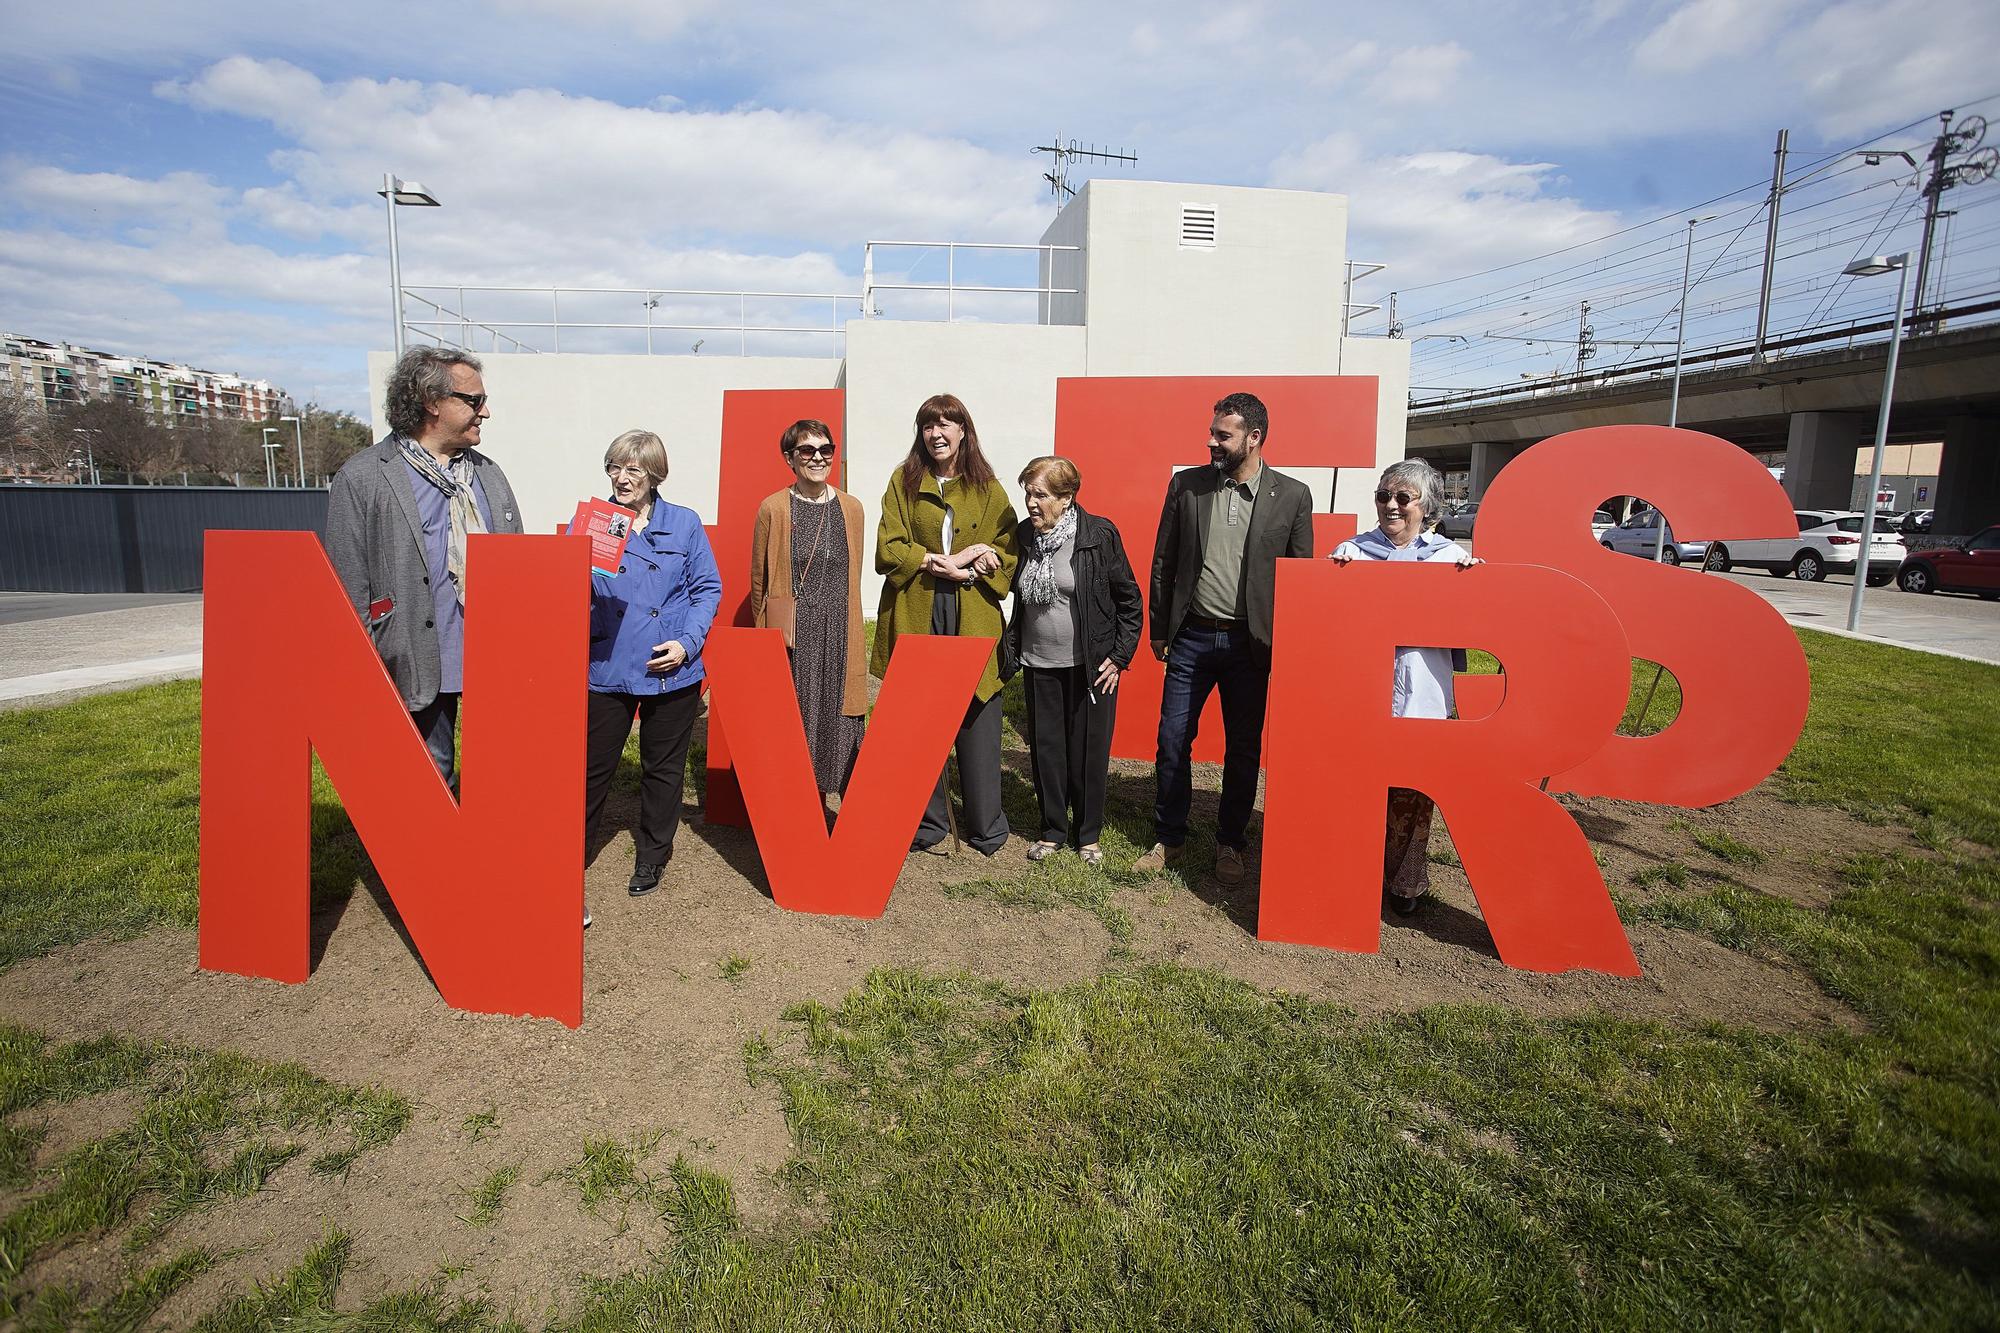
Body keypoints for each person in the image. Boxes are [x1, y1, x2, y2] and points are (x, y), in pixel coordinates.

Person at [1135, 391, 1313, 885]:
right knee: (1172, 739)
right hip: (1190, 638)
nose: (1211, 441)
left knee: (1243, 749)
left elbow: (1300, 581)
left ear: (1254, 438)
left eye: (1222, 434)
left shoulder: (1293, 496)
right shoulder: (1186, 486)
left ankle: (1230, 842)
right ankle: (1169, 836)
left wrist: (1290, 648)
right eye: (1212, 432)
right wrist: (1159, 629)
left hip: (1250, 647)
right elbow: (1163, 562)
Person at [327, 346, 523, 789]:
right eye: (473, 401)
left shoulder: (489, 475)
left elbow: (518, 567)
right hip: (412, 655)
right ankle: (424, 857)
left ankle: (481, 852)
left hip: (493, 657)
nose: (485, 412)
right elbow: (346, 586)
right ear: (432, 403)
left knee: (503, 779)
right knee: (430, 779)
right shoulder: (364, 477)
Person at [1328, 458, 1481, 916]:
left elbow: (1474, 624)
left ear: (1426, 506)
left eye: (1402, 498)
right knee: (1357, 782)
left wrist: (1479, 586)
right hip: (1361, 691)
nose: (1390, 507)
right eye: (1383, 496)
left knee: (1413, 792)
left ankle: (1404, 883)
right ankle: (1349, 870)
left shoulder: (1451, 560)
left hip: (1422, 694)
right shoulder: (1351, 553)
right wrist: (1332, 578)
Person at [872, 393, 1019, 856]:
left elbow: (1008, 548)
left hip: (972, 610)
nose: (936, 433)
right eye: (927, 426)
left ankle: (986, 823)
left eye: (945, 424)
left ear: (963, 431)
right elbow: (888, 545)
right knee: (919, 717)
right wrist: (934, 561)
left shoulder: (988, 487)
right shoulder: (904, 481)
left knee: (978, 714)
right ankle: (930, 820)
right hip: (917, 608)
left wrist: (973, 568)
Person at [584, 429, 721, 904]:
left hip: (671, 664)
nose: (622, 479)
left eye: (633, 470)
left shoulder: (683, 523)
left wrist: (687, 643)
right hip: (608, 663)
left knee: (662, 767)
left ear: (654, 474)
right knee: (591, 767)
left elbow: (708, 589)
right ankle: (571, 851)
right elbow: (572, 591)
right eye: (614, 468)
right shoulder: (597, 522)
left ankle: (652, 854)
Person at [1004, 457, 1141, 866]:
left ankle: (1088, 835)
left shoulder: (1098, 534)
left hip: (1090, 665)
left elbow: (1128, 600)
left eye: (1040, 494)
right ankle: (1051, 831)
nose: (1030, 501)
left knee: (1088, 751)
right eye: (1028, 492)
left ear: (1066, 498)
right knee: (1046, 749)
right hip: (1038, 661)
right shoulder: (1025, 535)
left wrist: (1119, 657)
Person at [750, 419, 866, 802]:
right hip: (796, 631)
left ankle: (845, 800)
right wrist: (765, 637)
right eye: (807, 450)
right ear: (790, 458)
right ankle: (801, 804)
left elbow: (854, 574)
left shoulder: (852, 508)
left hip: (840, 626)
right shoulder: (773, 508)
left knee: (840, 713)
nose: (817, 457)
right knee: (797, 716)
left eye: (825, 450)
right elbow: (760, 581)